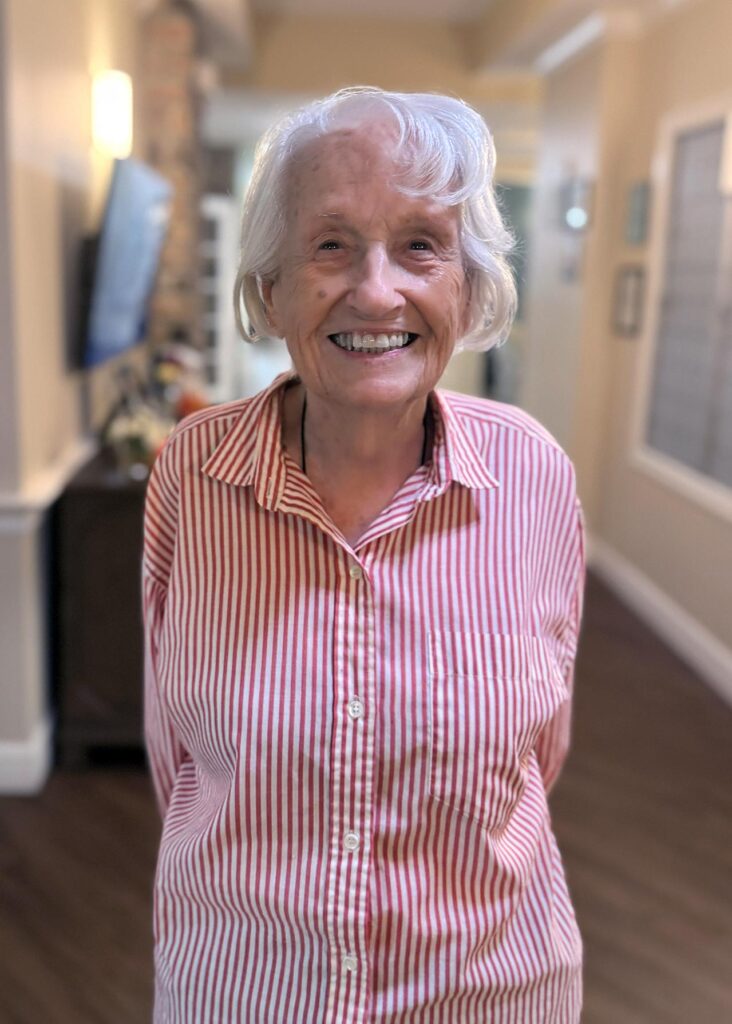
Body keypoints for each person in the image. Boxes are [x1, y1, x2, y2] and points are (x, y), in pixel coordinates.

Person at [143, 86, 586, 1023]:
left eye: (421, 244)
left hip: (488, 994)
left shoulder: (535, 475)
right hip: (245, 991)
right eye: (331, 244)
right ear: (269, 286)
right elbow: (177, 759)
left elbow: (535, 756)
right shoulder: (193, 472)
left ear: (468, 286)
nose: (376, 290)